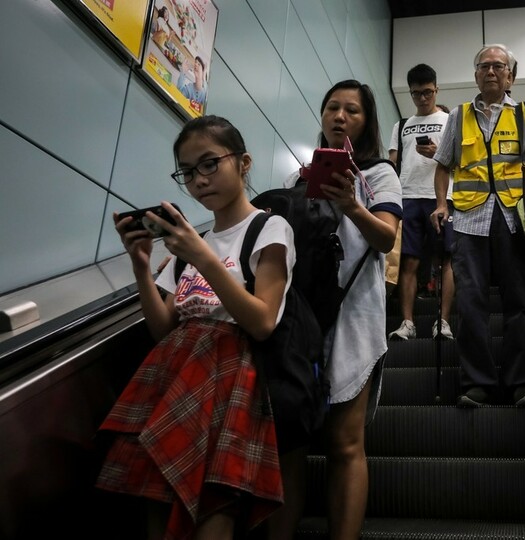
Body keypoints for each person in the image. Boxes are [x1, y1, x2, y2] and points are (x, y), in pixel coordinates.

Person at [96, 115, 294, 539]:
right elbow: (164, 329)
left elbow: (262, 321)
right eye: (187, 172)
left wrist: (202, 256)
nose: (199, 180)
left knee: (213, 504)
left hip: (229, 374)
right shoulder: (192, 241)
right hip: (174, 371)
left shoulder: (268, 227)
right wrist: (142, 267)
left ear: (243, 163)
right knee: (156, 491)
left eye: (209, 163)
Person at [264, 80, 402, 539]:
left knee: (344, 444)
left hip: (353, 315)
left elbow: (385, 238)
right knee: (290, 444)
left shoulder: (379, 174)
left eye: (352, 111)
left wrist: (351, 206)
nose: (340, 117)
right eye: (332, 108)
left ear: (367, 121)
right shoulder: (297, 179)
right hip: (298, 318)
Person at [430, 44, 525, 408]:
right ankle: (477, 384)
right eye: (484, 66)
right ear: (475, 75)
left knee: (519, 302)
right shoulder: (458, 115)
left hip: (513, 219)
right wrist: (441, 204)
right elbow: (443, 165)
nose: (491, 71)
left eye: (499, 66)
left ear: (510, 77)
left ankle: (522, 384)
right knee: (470, 304)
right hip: (469, 220)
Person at [387, 64, 455, 341]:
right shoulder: (401, 125)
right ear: (410, 93)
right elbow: (392, 163)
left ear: (437, 89)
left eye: (428, 92)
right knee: (408, 260)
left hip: (442, 197)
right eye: (416, 93)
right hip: (407, 196)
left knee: (447, 258)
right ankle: (407, 322)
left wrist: (438, 152)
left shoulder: (450, 120)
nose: (423, 98)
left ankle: (444, 321)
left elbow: (462, 160)